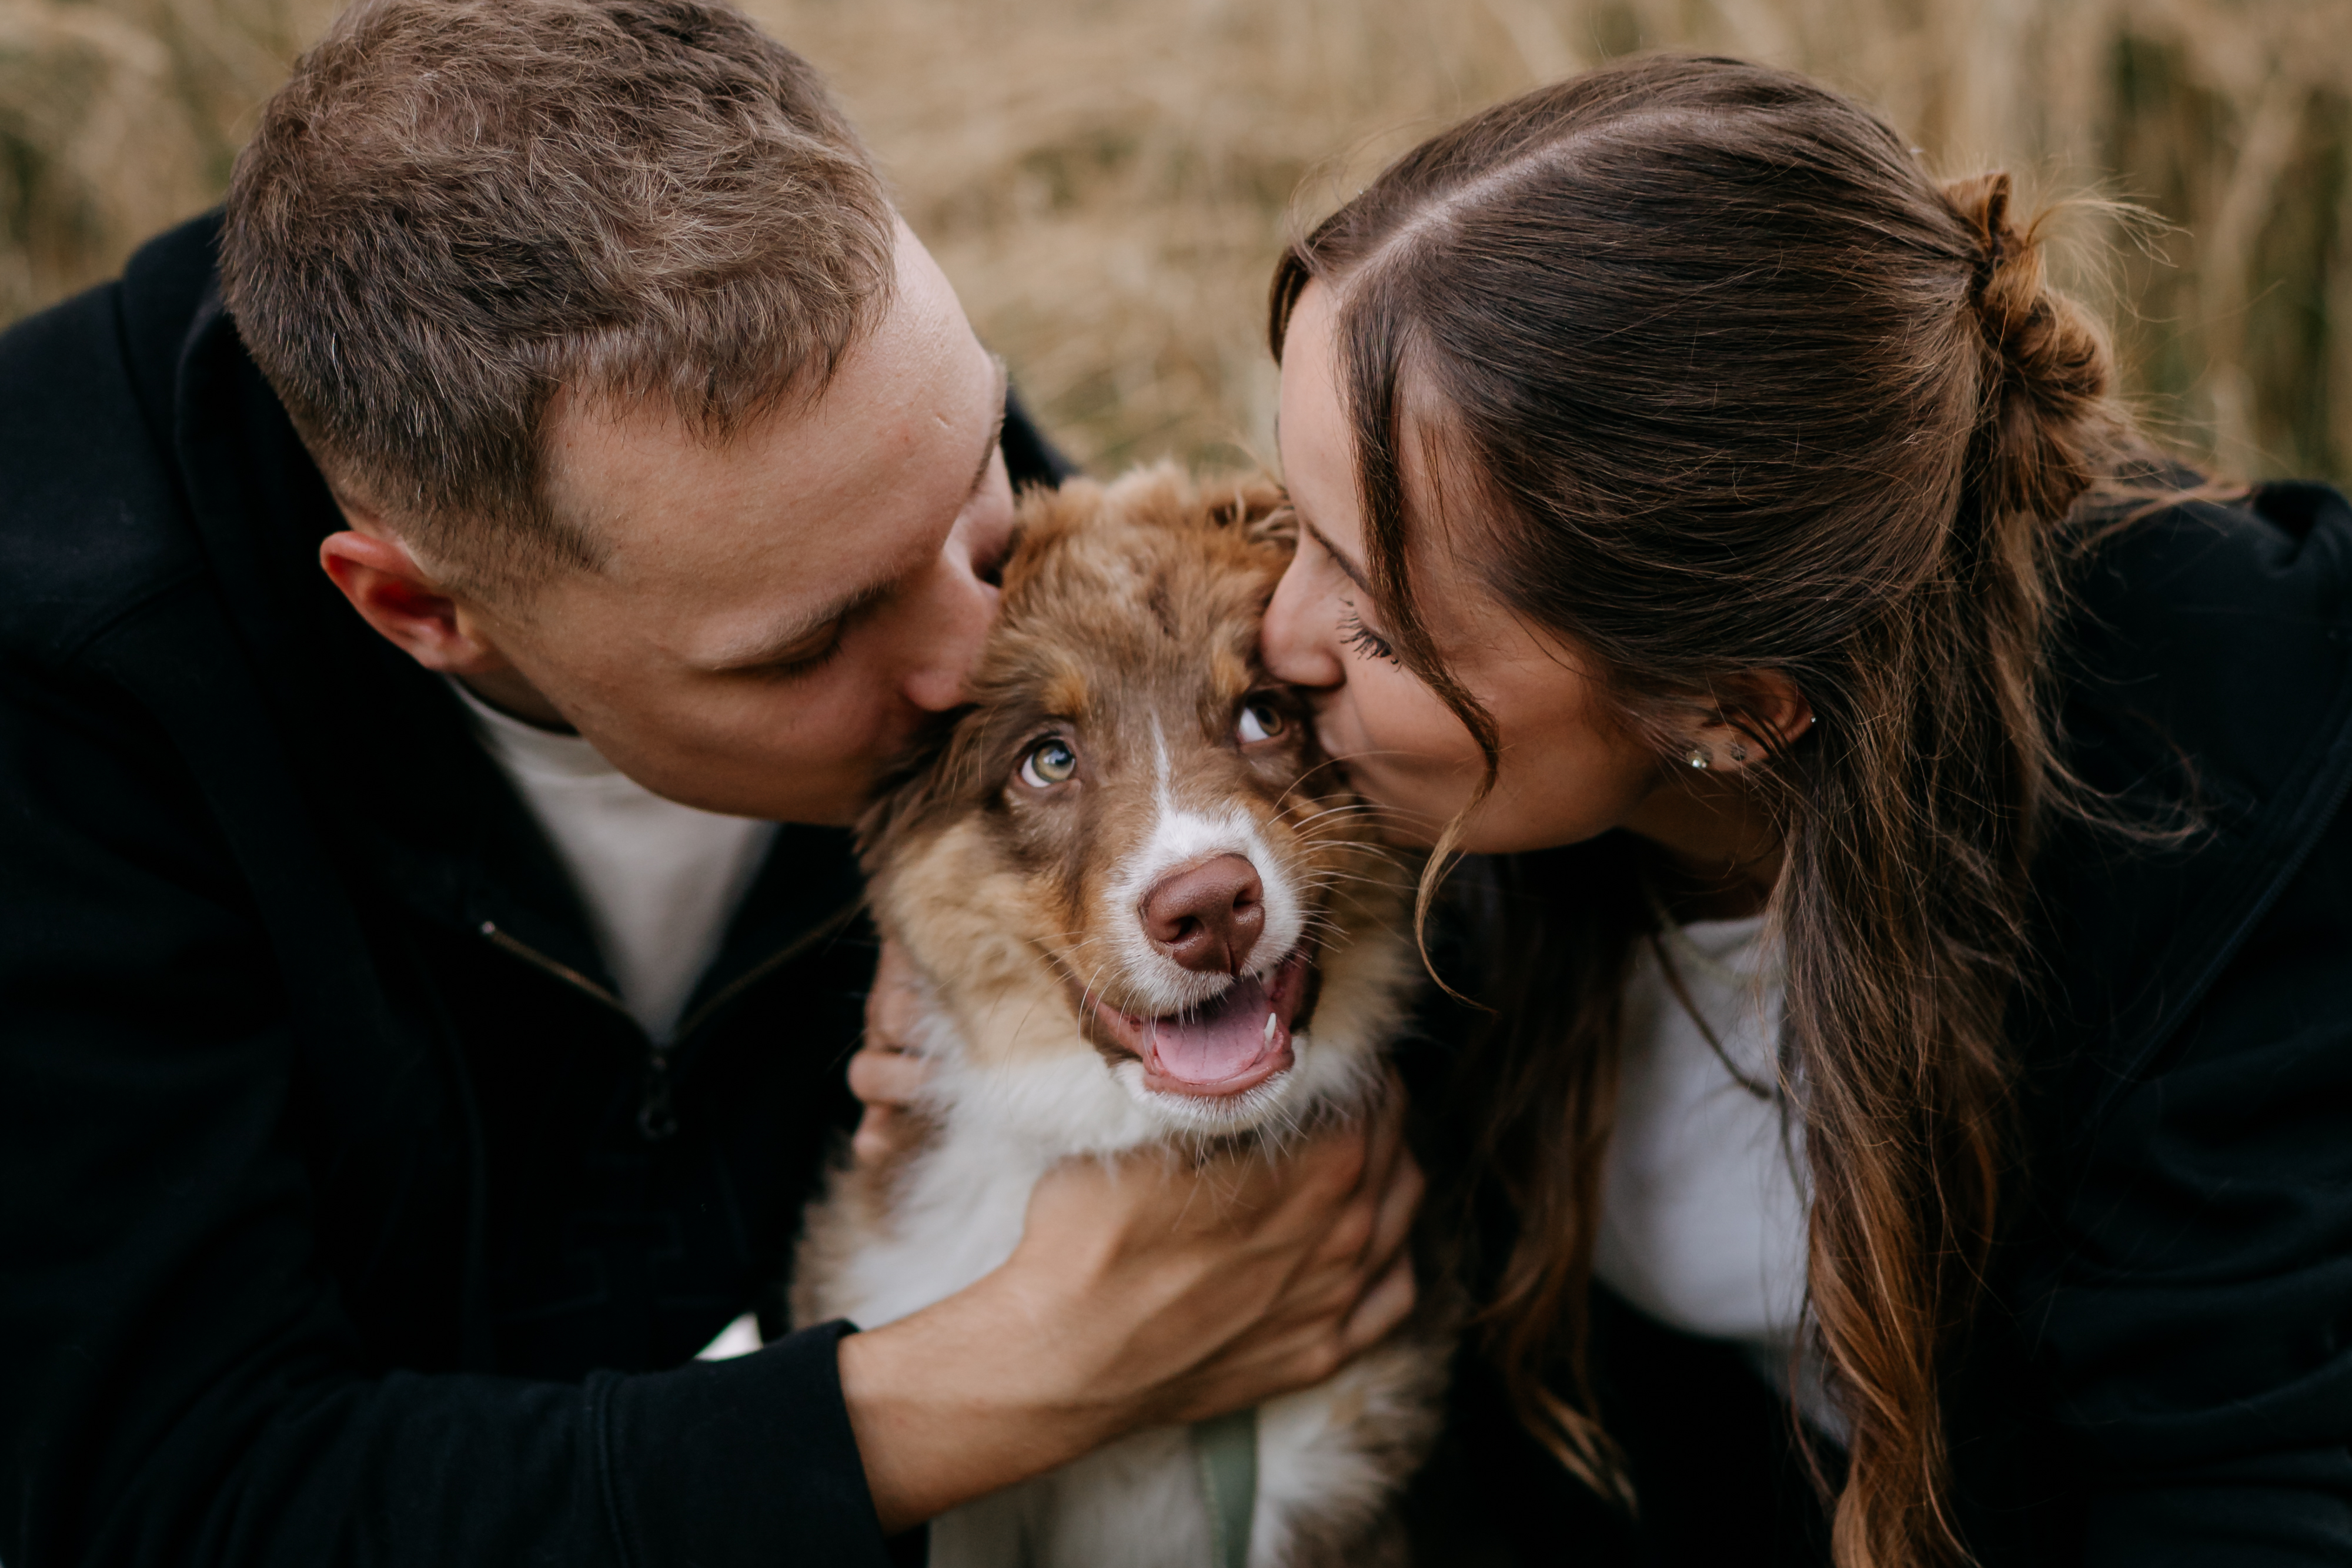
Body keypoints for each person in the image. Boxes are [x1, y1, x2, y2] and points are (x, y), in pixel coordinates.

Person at [0, 0, 1422, 1562]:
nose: (972, 661)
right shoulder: (64, 700)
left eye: (976, 500)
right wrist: (1013, 1375)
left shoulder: (852, 451)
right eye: (818, 638)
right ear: (418, 607)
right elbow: (171, 1500)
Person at [1233, 51, 2352, 1568]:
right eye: (1286, 523)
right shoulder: (1441, 839)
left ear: (1732, 709)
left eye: (1372, 621)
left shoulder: (2244, 848)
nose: (1274, 645)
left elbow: (2243, 1499)